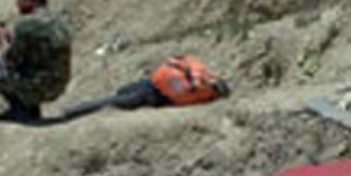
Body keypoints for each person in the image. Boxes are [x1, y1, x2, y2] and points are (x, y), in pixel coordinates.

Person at [0, 0, 72, 123]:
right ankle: (28, 105)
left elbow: (10, 60)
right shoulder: (59, 19)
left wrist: (1, 40)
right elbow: (38, 45)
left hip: (39, 87)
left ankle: (22, 108)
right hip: (59, 83)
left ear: (29, 0)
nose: (17, 4)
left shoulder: (26, 24)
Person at [61, 55, 231, 121]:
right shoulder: (199, 72)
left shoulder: (205, 96)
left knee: (114, 102)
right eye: (216, 86)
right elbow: (189, 63)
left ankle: (73, 112)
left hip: (153, 98)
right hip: (150, 85)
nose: (214, 90)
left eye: (217, 91)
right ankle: (74, 111)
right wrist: (196, 81)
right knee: (119, 93)